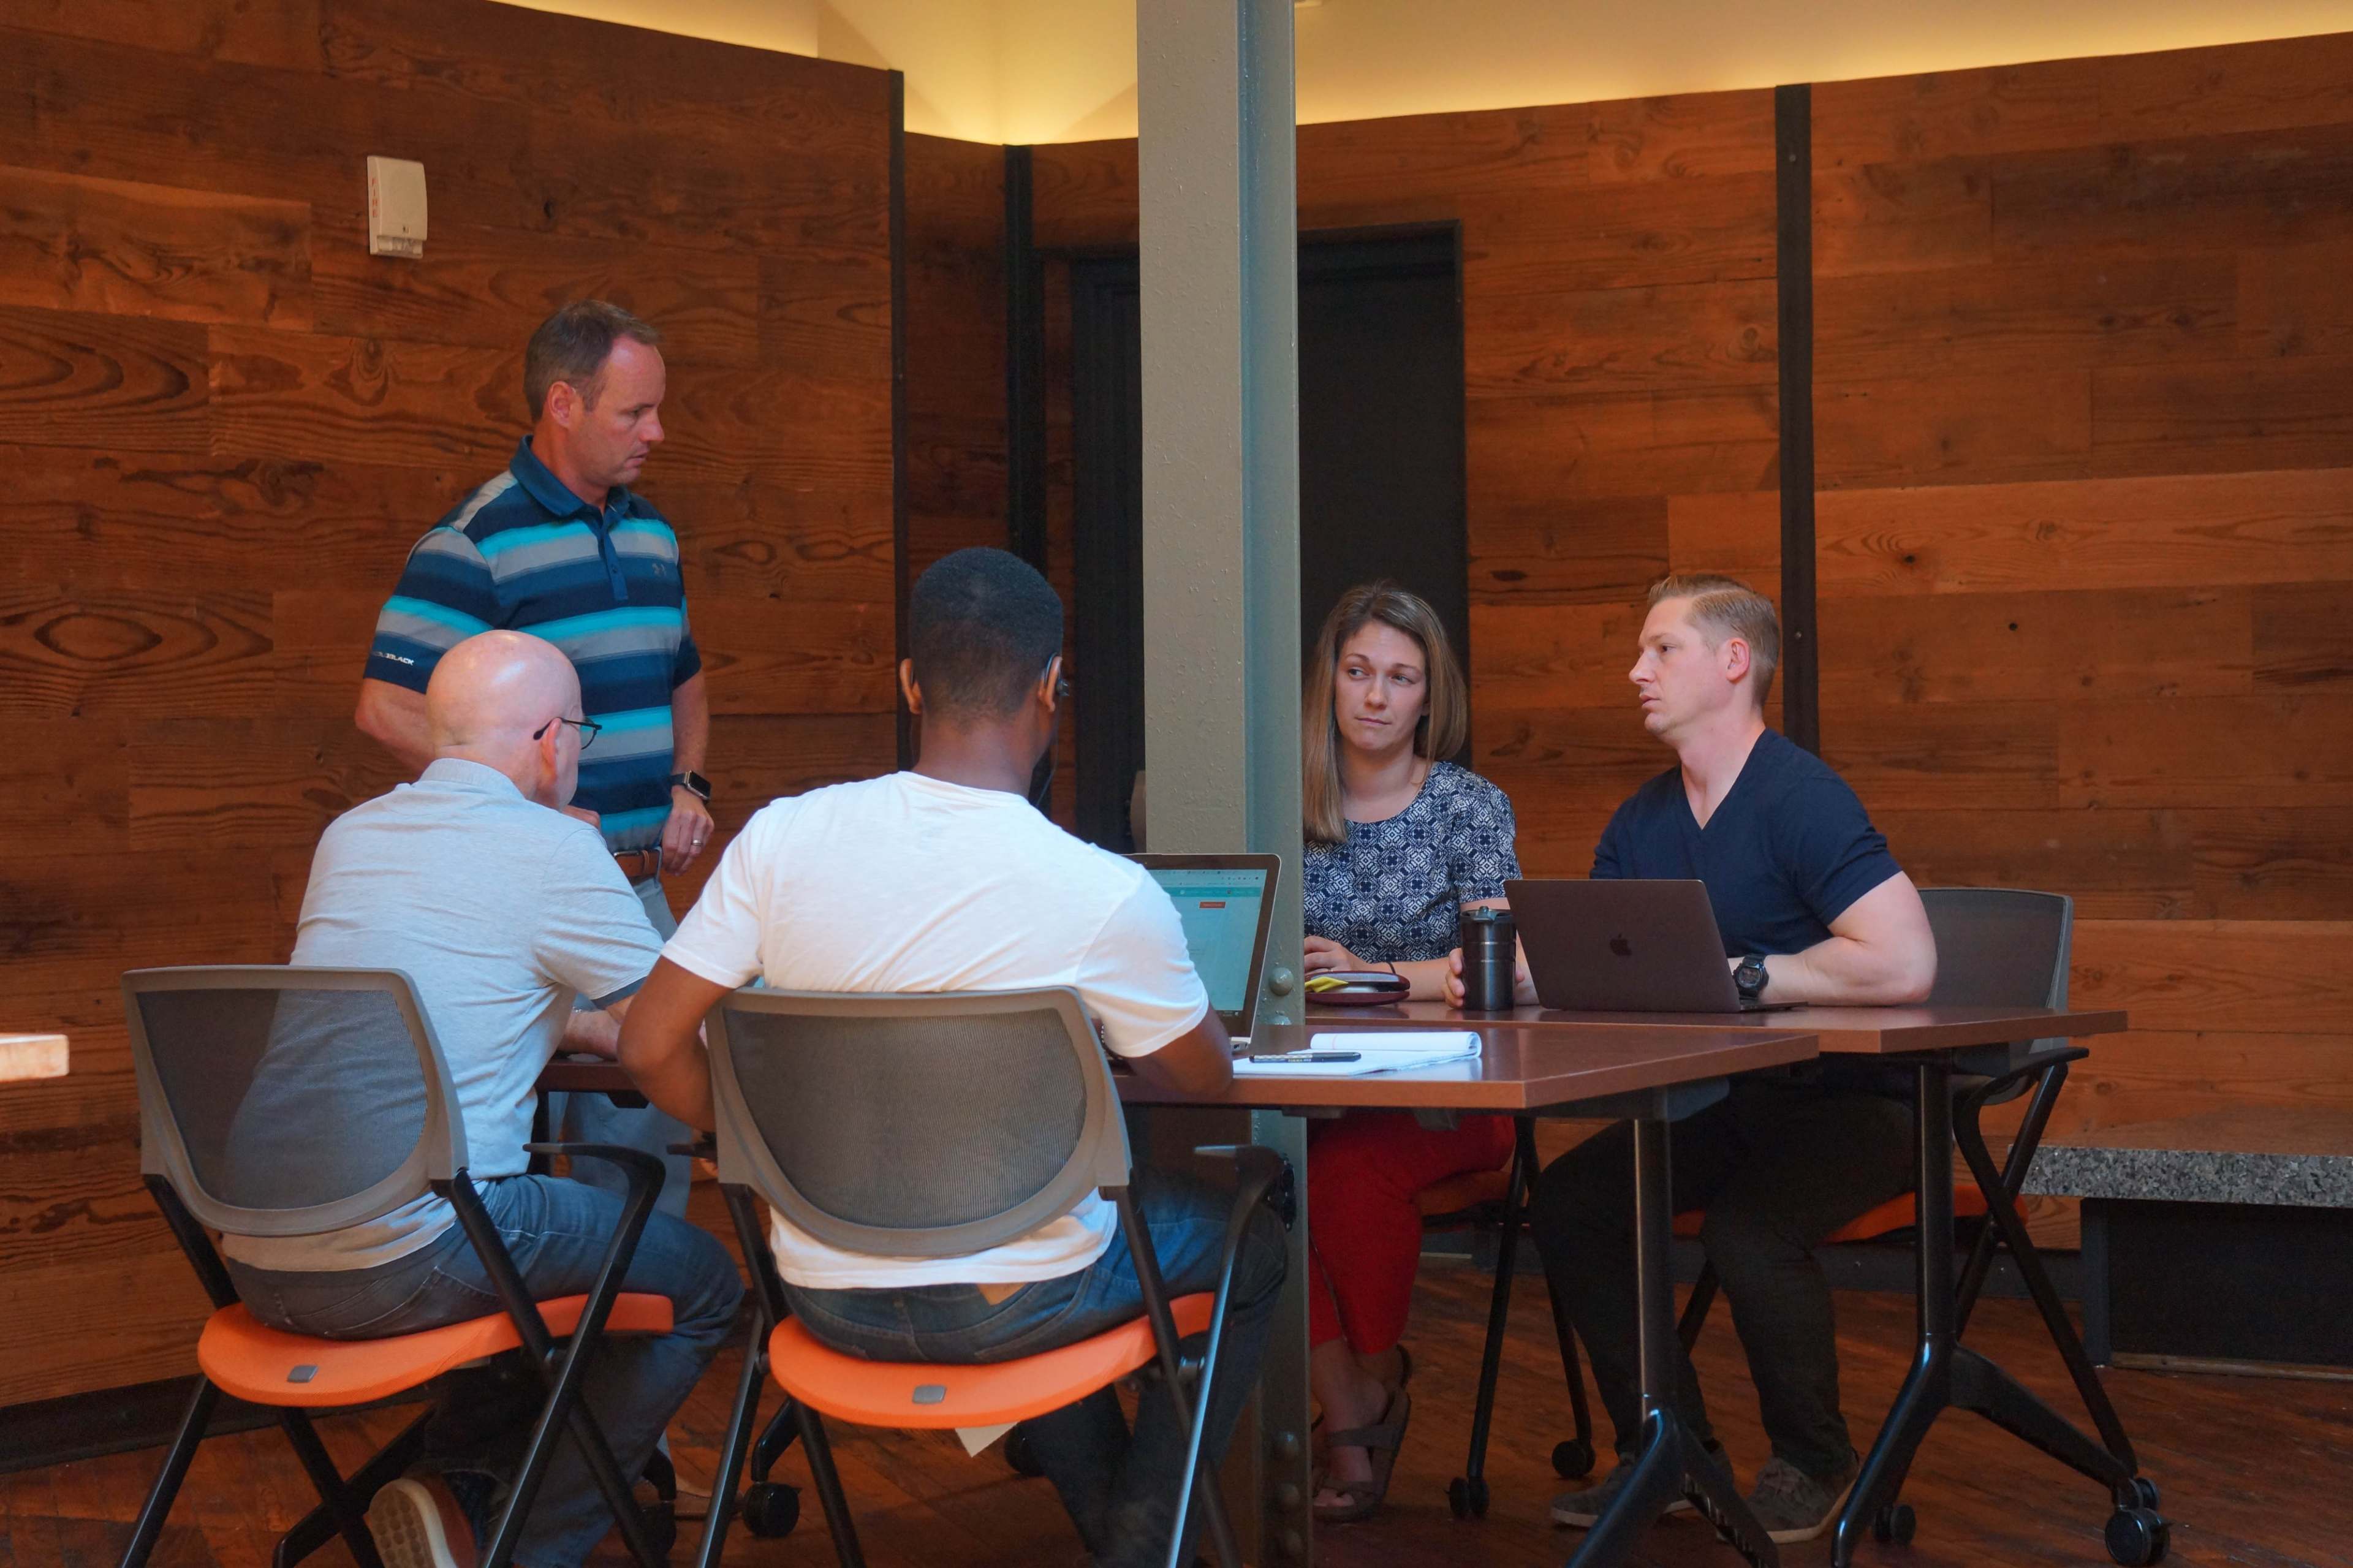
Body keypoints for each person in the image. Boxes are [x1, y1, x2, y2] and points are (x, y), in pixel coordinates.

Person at [618, 548, 1287, 1568]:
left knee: (1058, 1226)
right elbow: (1203, 1081)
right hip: (1011, 1302)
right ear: (1052, 688)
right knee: (1252, 1236)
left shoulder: (780, 841)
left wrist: (758, 1140)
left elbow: (647, 1040)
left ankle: (1132, 1542)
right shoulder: (1099, 890)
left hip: (823, 1293)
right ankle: (1145, 1546)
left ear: (909, 684)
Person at [222, 630, 743, 1568]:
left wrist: (581, 1027)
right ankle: (514, 1544)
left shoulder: (351, 835)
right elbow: (673, 1034)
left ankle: (457, 1494)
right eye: (576, 731)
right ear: (553, 741)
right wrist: (739, 1134)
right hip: (407, 1254)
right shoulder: (553, 850)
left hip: (255, 1251)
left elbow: (456, 994)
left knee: (532, 1239)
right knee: (700, 1282)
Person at [1526, 574, 1937, 1545]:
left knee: (1749, 1230)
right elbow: (1596, 955)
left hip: (1859, 1106)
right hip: (1732, 1102)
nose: (1638, 671)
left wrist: (1754, 975)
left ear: (1733, 662)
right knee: (1574, 1204)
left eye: (1661, 649)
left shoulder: (1802, 799)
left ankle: (1815, 1458)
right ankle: (1672, 1452)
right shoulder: (1644, 819)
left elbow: (1906, 957)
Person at [352, 298, 712, 1219]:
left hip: (631, 890)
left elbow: (685, 679)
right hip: (512, 886)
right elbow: (385, 706)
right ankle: (549, 1338)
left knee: (645, 1164)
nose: (656, 433)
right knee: (527, 1140)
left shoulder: (654, 536)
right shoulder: (473, 542)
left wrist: (688, 782)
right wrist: (521, 807)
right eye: (634, 413)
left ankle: (612, 1333)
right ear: (563, 405)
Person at [1293, 583, 1523, 1524]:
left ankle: (1362, 1391)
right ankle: (1356, 1397)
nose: (1376, 697)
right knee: (1259, 1175)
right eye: (1358, 673)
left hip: (1452, 1095)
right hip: (1306, 1081)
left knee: (1347, 1172)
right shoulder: (1283, 792)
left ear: (1431, 697)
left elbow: (1499, 961)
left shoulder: (1469, 806)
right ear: (1330, 683)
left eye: (1400, 678)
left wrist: (1372, 970)